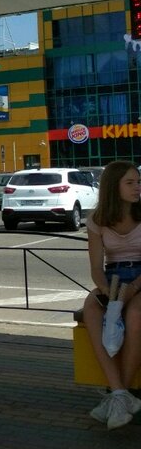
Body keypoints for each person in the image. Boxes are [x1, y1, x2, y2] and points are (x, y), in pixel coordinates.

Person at [83, 160, 141, 429]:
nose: (137, 187)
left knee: (135, 314)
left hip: (140, 279)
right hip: (114, 277)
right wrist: (107, 291)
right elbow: (96, 267)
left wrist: (132, 289)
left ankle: (118, 395)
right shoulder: (97, 220)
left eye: (138, 182)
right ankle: (120, 394)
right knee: (91, 308)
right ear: (112, 186)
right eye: (130, 183)